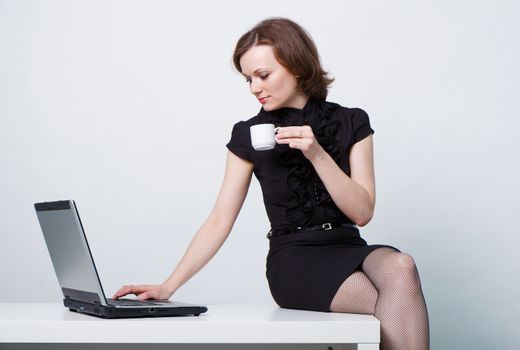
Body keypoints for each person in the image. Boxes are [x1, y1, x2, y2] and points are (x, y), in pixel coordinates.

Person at [113, 17, 429, 350]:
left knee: (401, 265)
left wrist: (317, 154)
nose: (254, 88)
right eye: (248, 79)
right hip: (294, 260)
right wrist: (169, 286)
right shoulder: (248, 135)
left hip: (348, 247)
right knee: (389, 298)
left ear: (297, 67)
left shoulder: (352, 121)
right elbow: (219, 220)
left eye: (263, 76)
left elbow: (362, 213)